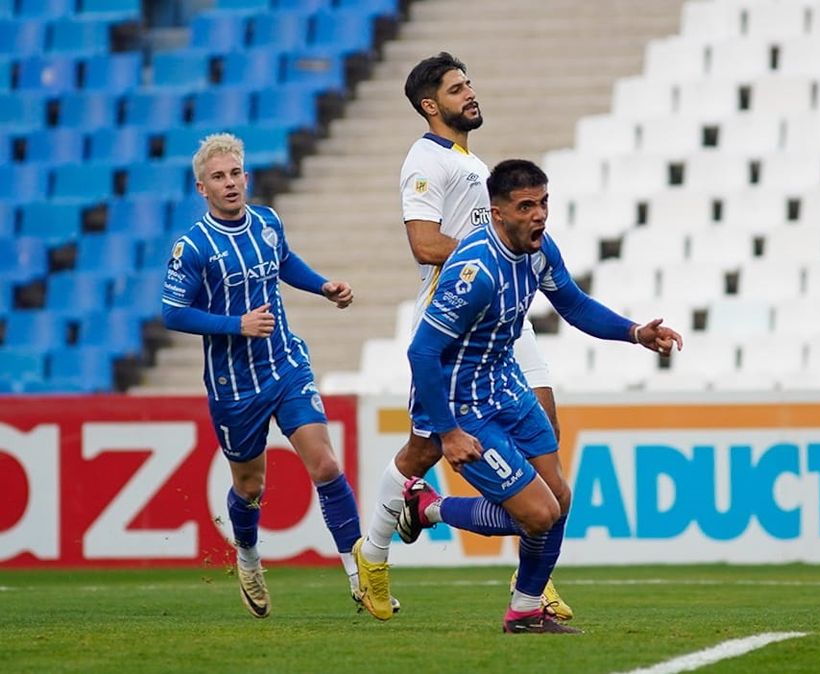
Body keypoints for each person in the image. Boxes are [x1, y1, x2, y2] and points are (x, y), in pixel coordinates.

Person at [361, 158, 683, 633]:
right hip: (463, 402)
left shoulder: (538, 250)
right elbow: (422, 352)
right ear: (497, 213)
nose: (539, 215)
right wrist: (448, 432)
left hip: (506, 385)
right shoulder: (474, 271)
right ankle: (425, 507)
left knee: (559, 499)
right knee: (538, 514)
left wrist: (634, 332)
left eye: (544, 203)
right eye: (526, 206)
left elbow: (572, 304)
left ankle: (526, 609)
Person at [353, 52, 571, 621]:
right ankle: (373, 553)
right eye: (456, 88)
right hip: (458, 327)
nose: (470, 93)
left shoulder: (472, 163)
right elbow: (424, 245)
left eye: (470, 83)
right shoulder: (426, 163)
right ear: (431, 105)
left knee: (547, 440)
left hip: (502, 318)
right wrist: (492, 258)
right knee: (423, 450)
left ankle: (534, 578)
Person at [161, 132, 396, 618]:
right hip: (234, 387)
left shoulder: (267, 222)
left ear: (246, 176)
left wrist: (322, 285)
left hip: (286, 364)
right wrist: (236, 325)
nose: (230, 184)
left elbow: (284, 262)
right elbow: (171, 312)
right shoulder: (193, 247)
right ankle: (247, 557)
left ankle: (361, 577)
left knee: (326, 466)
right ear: (201, 188)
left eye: (235, 174)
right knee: (250, 488)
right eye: (218, 177)